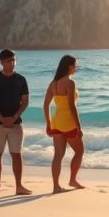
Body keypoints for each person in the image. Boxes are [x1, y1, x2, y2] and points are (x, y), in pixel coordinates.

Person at [0, 49, 31, 195]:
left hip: (16, 123)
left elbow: (25, 101)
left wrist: (14, 117)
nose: (12, 63)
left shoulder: (21, 79)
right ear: (2, 62)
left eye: (14, 60)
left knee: (16, 154)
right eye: (9, 61)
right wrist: (1, 118)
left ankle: (19, 186)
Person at [43, 54, 84, 193]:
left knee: (58, 155)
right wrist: (79, 126)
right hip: (68, 122)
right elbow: (72, 106)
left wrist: (48, 123)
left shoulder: (53, 83)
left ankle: (56, 186)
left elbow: (45, 105)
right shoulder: (70, 83)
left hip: (56, 122)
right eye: (75, 65)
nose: (76, 68)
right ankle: (72, 179)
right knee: (79, 151)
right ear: (69, 66)